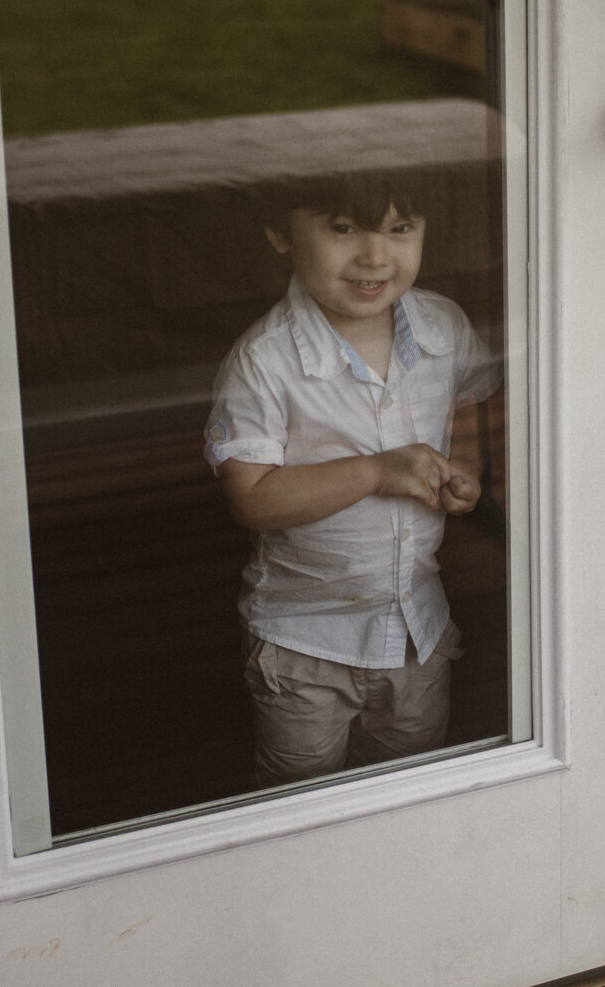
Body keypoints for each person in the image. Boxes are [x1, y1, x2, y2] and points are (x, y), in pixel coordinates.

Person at [205, 173, 500, 786]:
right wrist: (376, 471)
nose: (374, 256)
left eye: (400, 229)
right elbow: (252, 499)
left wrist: (461, 472)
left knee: (407, 788)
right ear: (279, 235)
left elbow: (470, 403)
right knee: (301, 801)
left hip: (418, 631)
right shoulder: (265, 361)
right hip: (306, 644)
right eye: (343, 230)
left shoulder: (442, 327)